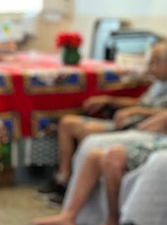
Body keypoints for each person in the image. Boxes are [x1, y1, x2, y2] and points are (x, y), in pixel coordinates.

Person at [41, 41, 167, 200]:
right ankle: (63, 178)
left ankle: (80, 190)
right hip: (130, 120)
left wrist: (137, 110)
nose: (149, 68)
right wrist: (109, 99)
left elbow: (159, 113)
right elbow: (141, 103)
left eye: (154, 63)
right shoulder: (159, 83)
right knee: (67, 123)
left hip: (139, 127)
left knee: (89, 137)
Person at [29, 109, 167, 225]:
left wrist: (144, 113)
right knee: (95, 156)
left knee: (114, 155)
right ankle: (69, 216)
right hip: (140, 124)